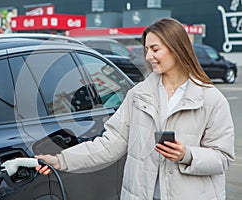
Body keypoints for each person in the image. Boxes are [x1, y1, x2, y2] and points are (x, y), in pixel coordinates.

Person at [35, 17, 235, 200]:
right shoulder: (138, 95)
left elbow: (222, 157)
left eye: (155, 49)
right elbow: (109, 144)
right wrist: (60, 160)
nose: (148, 56)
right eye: (146, 49)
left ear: (176, 48)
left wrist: (186, 155)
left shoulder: (210, 99)